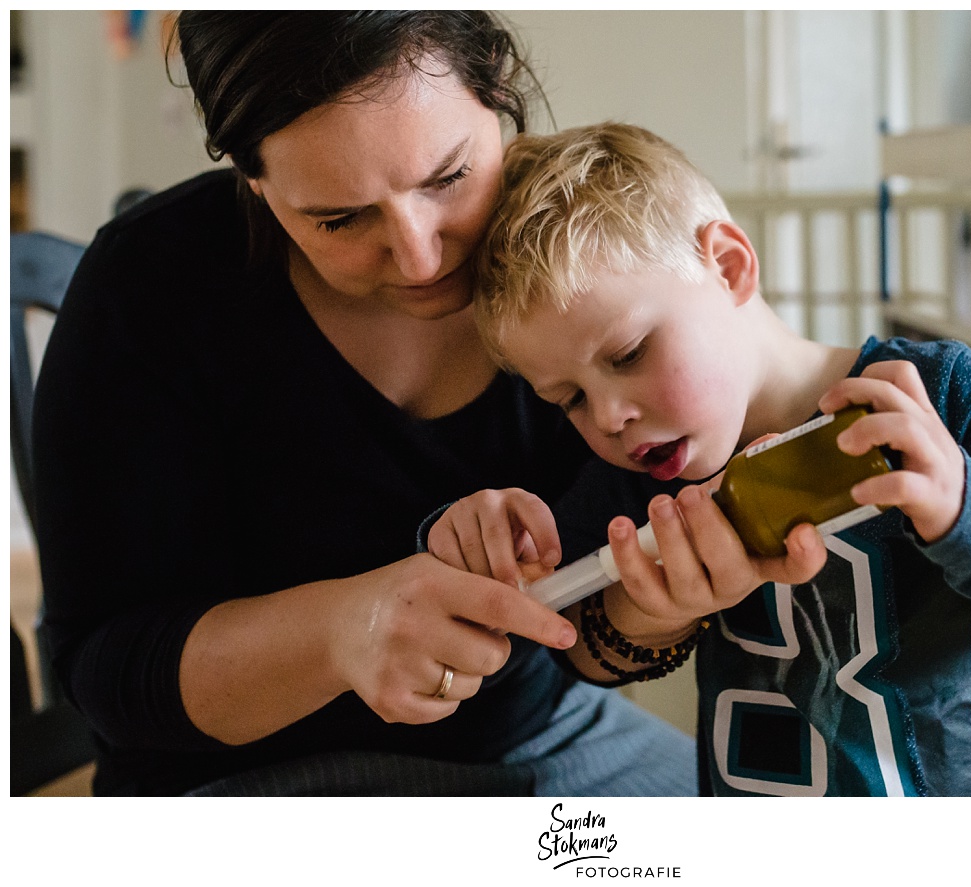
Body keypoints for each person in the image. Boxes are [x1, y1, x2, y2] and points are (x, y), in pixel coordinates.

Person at [32, 13, 698, 797]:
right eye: (339, 219)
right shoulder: (151, 286)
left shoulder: (586, 247)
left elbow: (591, 631)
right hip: (241, 780)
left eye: (448, 178)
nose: (422, 256)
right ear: (257, 182)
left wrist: (661, 610)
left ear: (500, 93)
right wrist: (339, 633)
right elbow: (101, 668)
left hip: (547, 739)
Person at [426, 122, 971, 796]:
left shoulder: (935, 399)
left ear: (727, 267)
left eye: (628, 353)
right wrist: (646, 610)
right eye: (568, 399)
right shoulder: (650, 462)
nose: (609, 417)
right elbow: (584, 646)